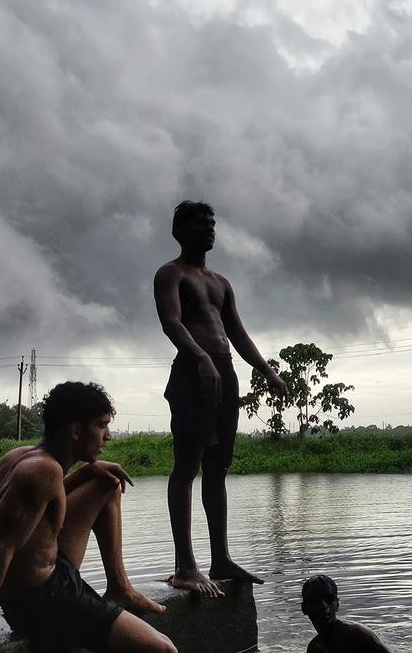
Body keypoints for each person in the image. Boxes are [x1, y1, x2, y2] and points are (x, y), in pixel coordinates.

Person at [0, 382, 174, 653]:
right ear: (76, 431)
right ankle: (109, 599)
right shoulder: (41, 471)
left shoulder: (19, 456)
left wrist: (88, 471)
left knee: (107, 483)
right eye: (102, 425)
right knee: (163, 648)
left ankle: (120, 588)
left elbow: (47, 504)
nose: (108, 436)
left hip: (47, 576)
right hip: (45, 600)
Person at [154, 200, 287, 595]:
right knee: (187, 466)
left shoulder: (221, 282)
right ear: (179, 230)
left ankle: (221, 557)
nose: (209, 228)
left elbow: (238, 335)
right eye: (200, 222)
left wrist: (267, 370)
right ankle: (185, 565)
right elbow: (171, 321)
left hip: (224, 374)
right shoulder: (170, 274)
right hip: (194, 374)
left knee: (218, 468)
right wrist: (199, 358)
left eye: (212, 222)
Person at [301, 575, 391, 653]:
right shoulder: (315, 648)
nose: (324, 605)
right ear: (304, 608)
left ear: (337, 604)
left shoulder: (358, 635)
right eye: (315, 600)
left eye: (329, 599)